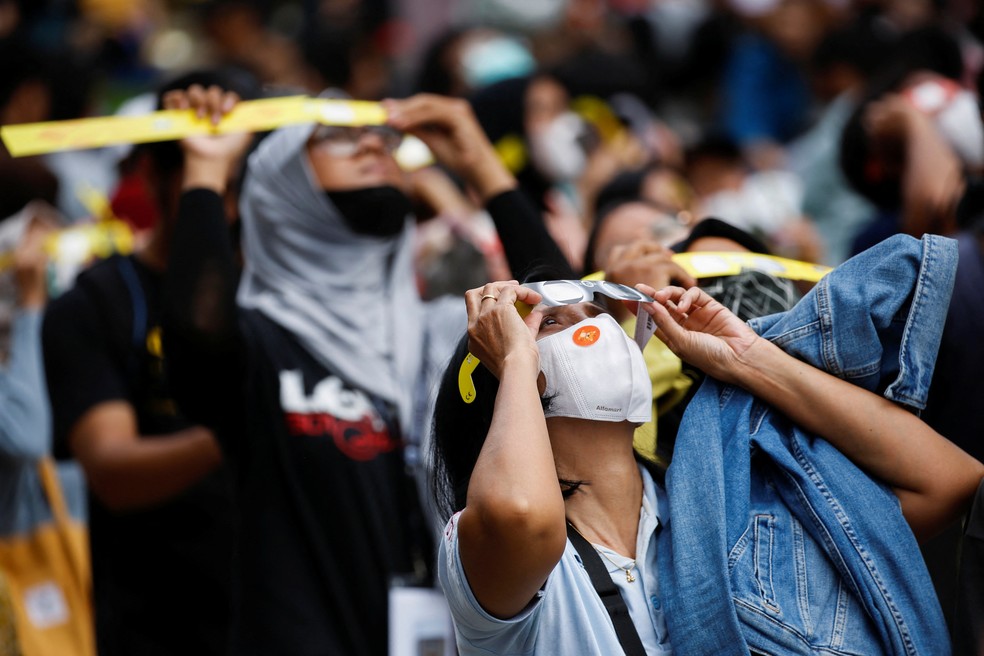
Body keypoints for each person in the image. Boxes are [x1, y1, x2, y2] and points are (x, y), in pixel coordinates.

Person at [430, 233, 983, 654]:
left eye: (596, 312)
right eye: (551, 323)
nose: (596, 327)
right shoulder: (484, 551)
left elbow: (948, 480)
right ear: (505, 388)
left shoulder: (736, 510)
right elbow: (521, 515)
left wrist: (750, 361)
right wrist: (518, 362)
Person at [161, 88, 569, 655]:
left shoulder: (444, 333)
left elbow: (561, 318)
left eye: (381, 136)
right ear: (281, 184)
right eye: (336, 134)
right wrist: (206, 168)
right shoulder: (256, 342)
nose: (373, 144)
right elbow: (195, 339)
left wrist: (478, 160)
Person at [39, 71, 257, 656]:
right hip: (156, 620)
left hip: (273, 611)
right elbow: (113, 470)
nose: (221, 207)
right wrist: (245, 428)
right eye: (204, 183)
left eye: (233, 186)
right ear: (152, 176)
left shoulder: (276, 298)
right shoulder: (96, 302)